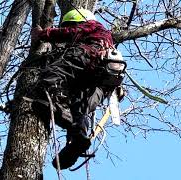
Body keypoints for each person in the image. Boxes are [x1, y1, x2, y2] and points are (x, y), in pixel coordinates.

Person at [31, 8, 125, 169]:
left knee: (53, 72)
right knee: (80, 105)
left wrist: (43, 34)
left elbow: (70, 32)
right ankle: (78, 138)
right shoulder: (108, 41)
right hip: (104, 78)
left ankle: (57, 105)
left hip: (90, 55)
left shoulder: (93, 26)